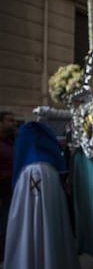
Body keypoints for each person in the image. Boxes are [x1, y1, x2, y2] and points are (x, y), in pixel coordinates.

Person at [3, 121, 81, 269]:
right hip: (51, 226)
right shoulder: (49, 170)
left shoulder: (27, 172)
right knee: (50, 232)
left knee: (25, 231)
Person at [0, 111, 17, 263]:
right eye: (9, 120)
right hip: (4, 192)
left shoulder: (13, 142)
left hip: (14, 191)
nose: (13, 123)